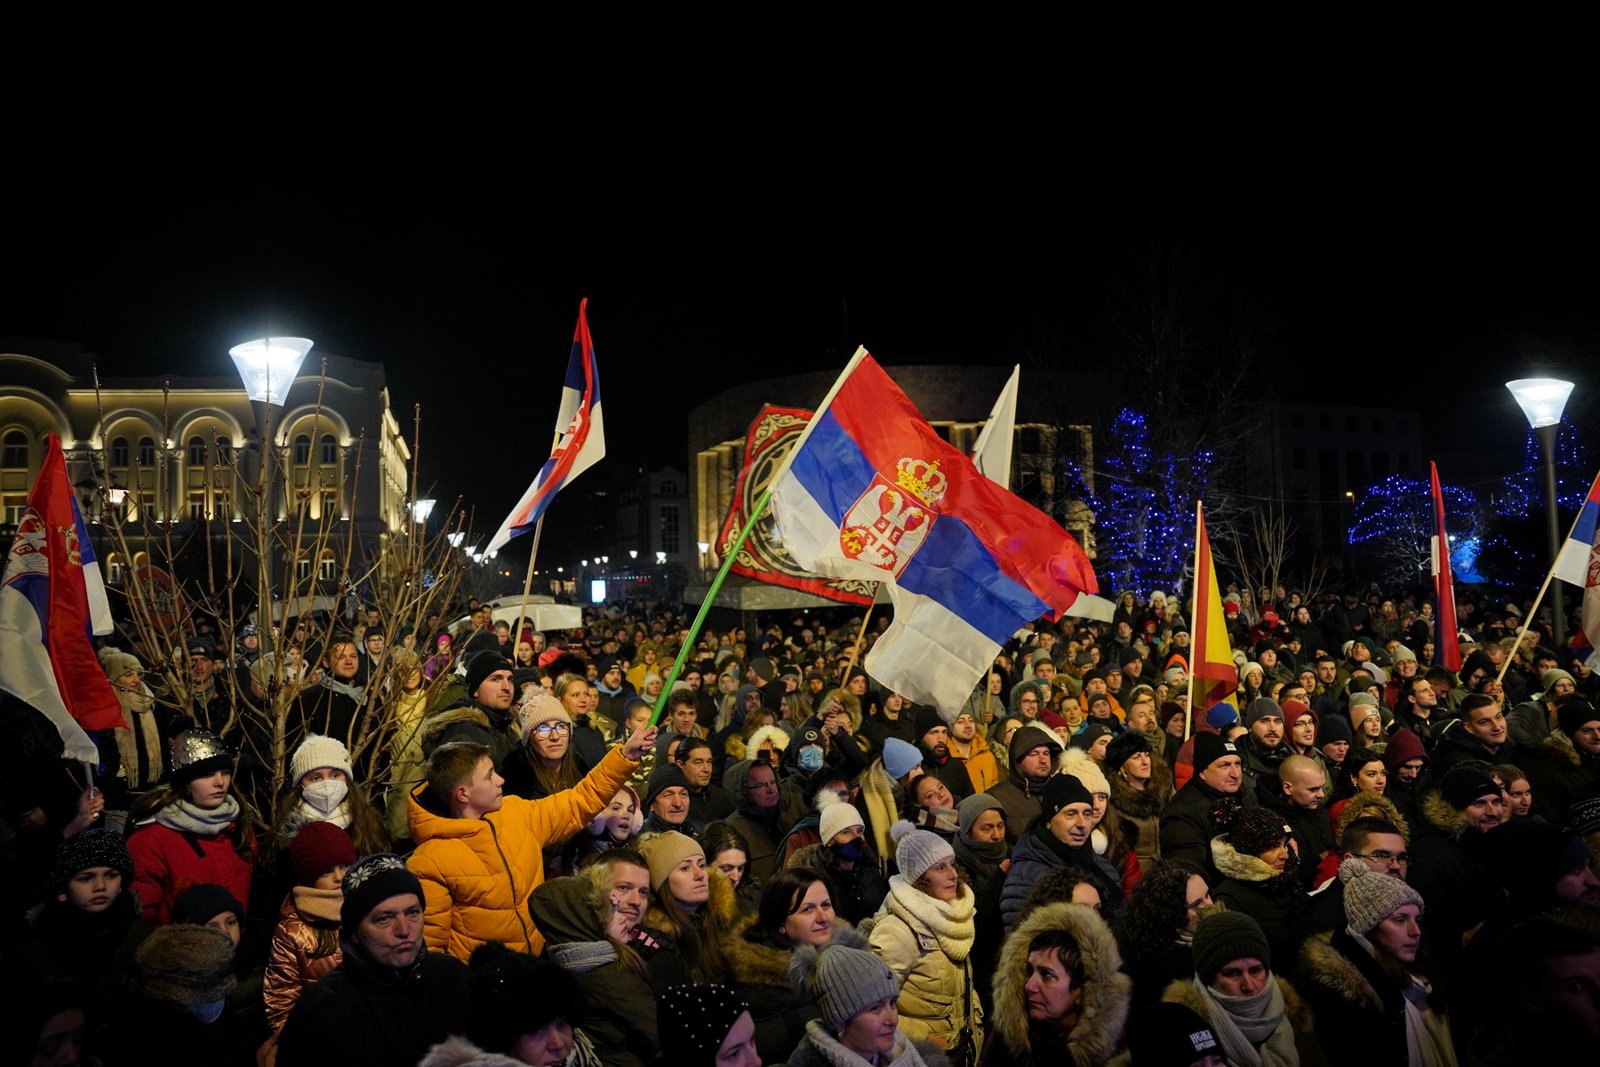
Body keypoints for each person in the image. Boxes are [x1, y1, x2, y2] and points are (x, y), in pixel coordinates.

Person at [406, 716, 655, 960]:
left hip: (536, 966)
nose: (500, 780)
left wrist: (625, 757)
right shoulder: (430, 862)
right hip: (484, 987)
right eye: (489, 776)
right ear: (463, 794)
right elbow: (432, 951)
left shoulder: (517, 813)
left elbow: (578, 801)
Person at [275, 853, 472, 1066]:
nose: (404, 930)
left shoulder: (453, 976)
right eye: (384, 918)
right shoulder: (320, 1012)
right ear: (354, 933)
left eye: (412, 912)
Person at [1297, 858, 1457, 1066]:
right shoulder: (1347, 997)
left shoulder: (1425, 975)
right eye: (1400, 920)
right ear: (1369, 929)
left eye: (1416, 920)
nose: (1415, 931)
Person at [527, 853, 663, 1067]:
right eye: (623, 888)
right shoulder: (605, 970)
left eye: (644, 892)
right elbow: (660, 1037)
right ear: (587, 911)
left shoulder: (561, 955)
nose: (636, 901)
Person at [724, 868, 866, 1062]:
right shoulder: (759, 990)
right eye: (807, 909)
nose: (823, 918)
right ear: (780, 922)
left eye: (826, 905)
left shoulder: (849, 955)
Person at [870, 822, 983, 1058]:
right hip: (924, 1055)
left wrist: (974, 1017)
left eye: (952, 865)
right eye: (940, 868)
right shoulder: (897, 930)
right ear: (920, 878)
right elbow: (870, 1008)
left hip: (962, 1046)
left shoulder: (954, 917)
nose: (953, 875)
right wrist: (924, 1040)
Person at [1160, 911, 1323, 1067]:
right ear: (1208, 979)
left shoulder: (1296, 1018)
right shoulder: (1187, 1033)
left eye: (1255, 970)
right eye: (1232, 973)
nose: (1249, 986)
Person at [126, 729, 255, 924]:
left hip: (239, 948)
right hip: (183, 951)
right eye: (207, 774)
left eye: (225, 772)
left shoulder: (238, 826)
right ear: (186, 782)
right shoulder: (150, 840)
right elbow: (142, 919)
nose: (220, 782)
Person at [979, 900, 1131, 1067]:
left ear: (1083, 990)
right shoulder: (1006, 1039)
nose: (1029, 986)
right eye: (1030, 971)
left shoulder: (1113, 1048)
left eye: (1046, 975)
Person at [419, 942, 593, 1067]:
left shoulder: (580, 1059)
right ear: (501, 1039)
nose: (558, 1044)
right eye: (535, 1030)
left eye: (562, 1024)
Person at [263, 821, 356, 1032]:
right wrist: (291, 1041)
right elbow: (281, 995)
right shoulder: (293, 930)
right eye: (327, 871)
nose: (340, 877)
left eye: (345, 866)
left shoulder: (367, 909)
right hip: (321, 1032)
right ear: (308, 878)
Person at [1000, 774, 1121, 933]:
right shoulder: (1025, 876)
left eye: (1087, 814)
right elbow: (1022, 941)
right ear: (1049, 821)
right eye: (1070, 814)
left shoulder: (1104, 868)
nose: (1082, 824)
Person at [787, 940, 934, 1067]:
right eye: (876, 1008)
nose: (893, 1020)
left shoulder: (904, 1053)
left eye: (892, 1003)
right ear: (840, 1022)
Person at [639, 831, 738, 985]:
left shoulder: (724, 923)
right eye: (685, 868)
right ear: (662, 883)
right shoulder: (658, 943)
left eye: (702, 865)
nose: (700, 874)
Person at [1114, 859, 1212, 1008]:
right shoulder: (1153, 968)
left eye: (1207, 895)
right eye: (1196, 904)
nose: (1210, 906)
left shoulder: (1217, 937)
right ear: (1171, 913)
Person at [1103, 730, 1173, 877]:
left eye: (1147, 755)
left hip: (1169, 868)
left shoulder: (1165, 788)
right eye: (1136, 757)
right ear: (1121, 766)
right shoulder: (1112, 799)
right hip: (1133, 874)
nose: (1145, 761)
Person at [989, 725, 1063, 847]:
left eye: (1046, 753)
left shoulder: (1063, 789)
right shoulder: (996, 798)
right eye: (1034, 754)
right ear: (1018, 759)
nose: (1043, 760)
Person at [565, 784, 644, 871]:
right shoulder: (575, 855)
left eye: (630, 810)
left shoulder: (641, 853)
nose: (626, 816)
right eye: (616, 808)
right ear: (596, 815)